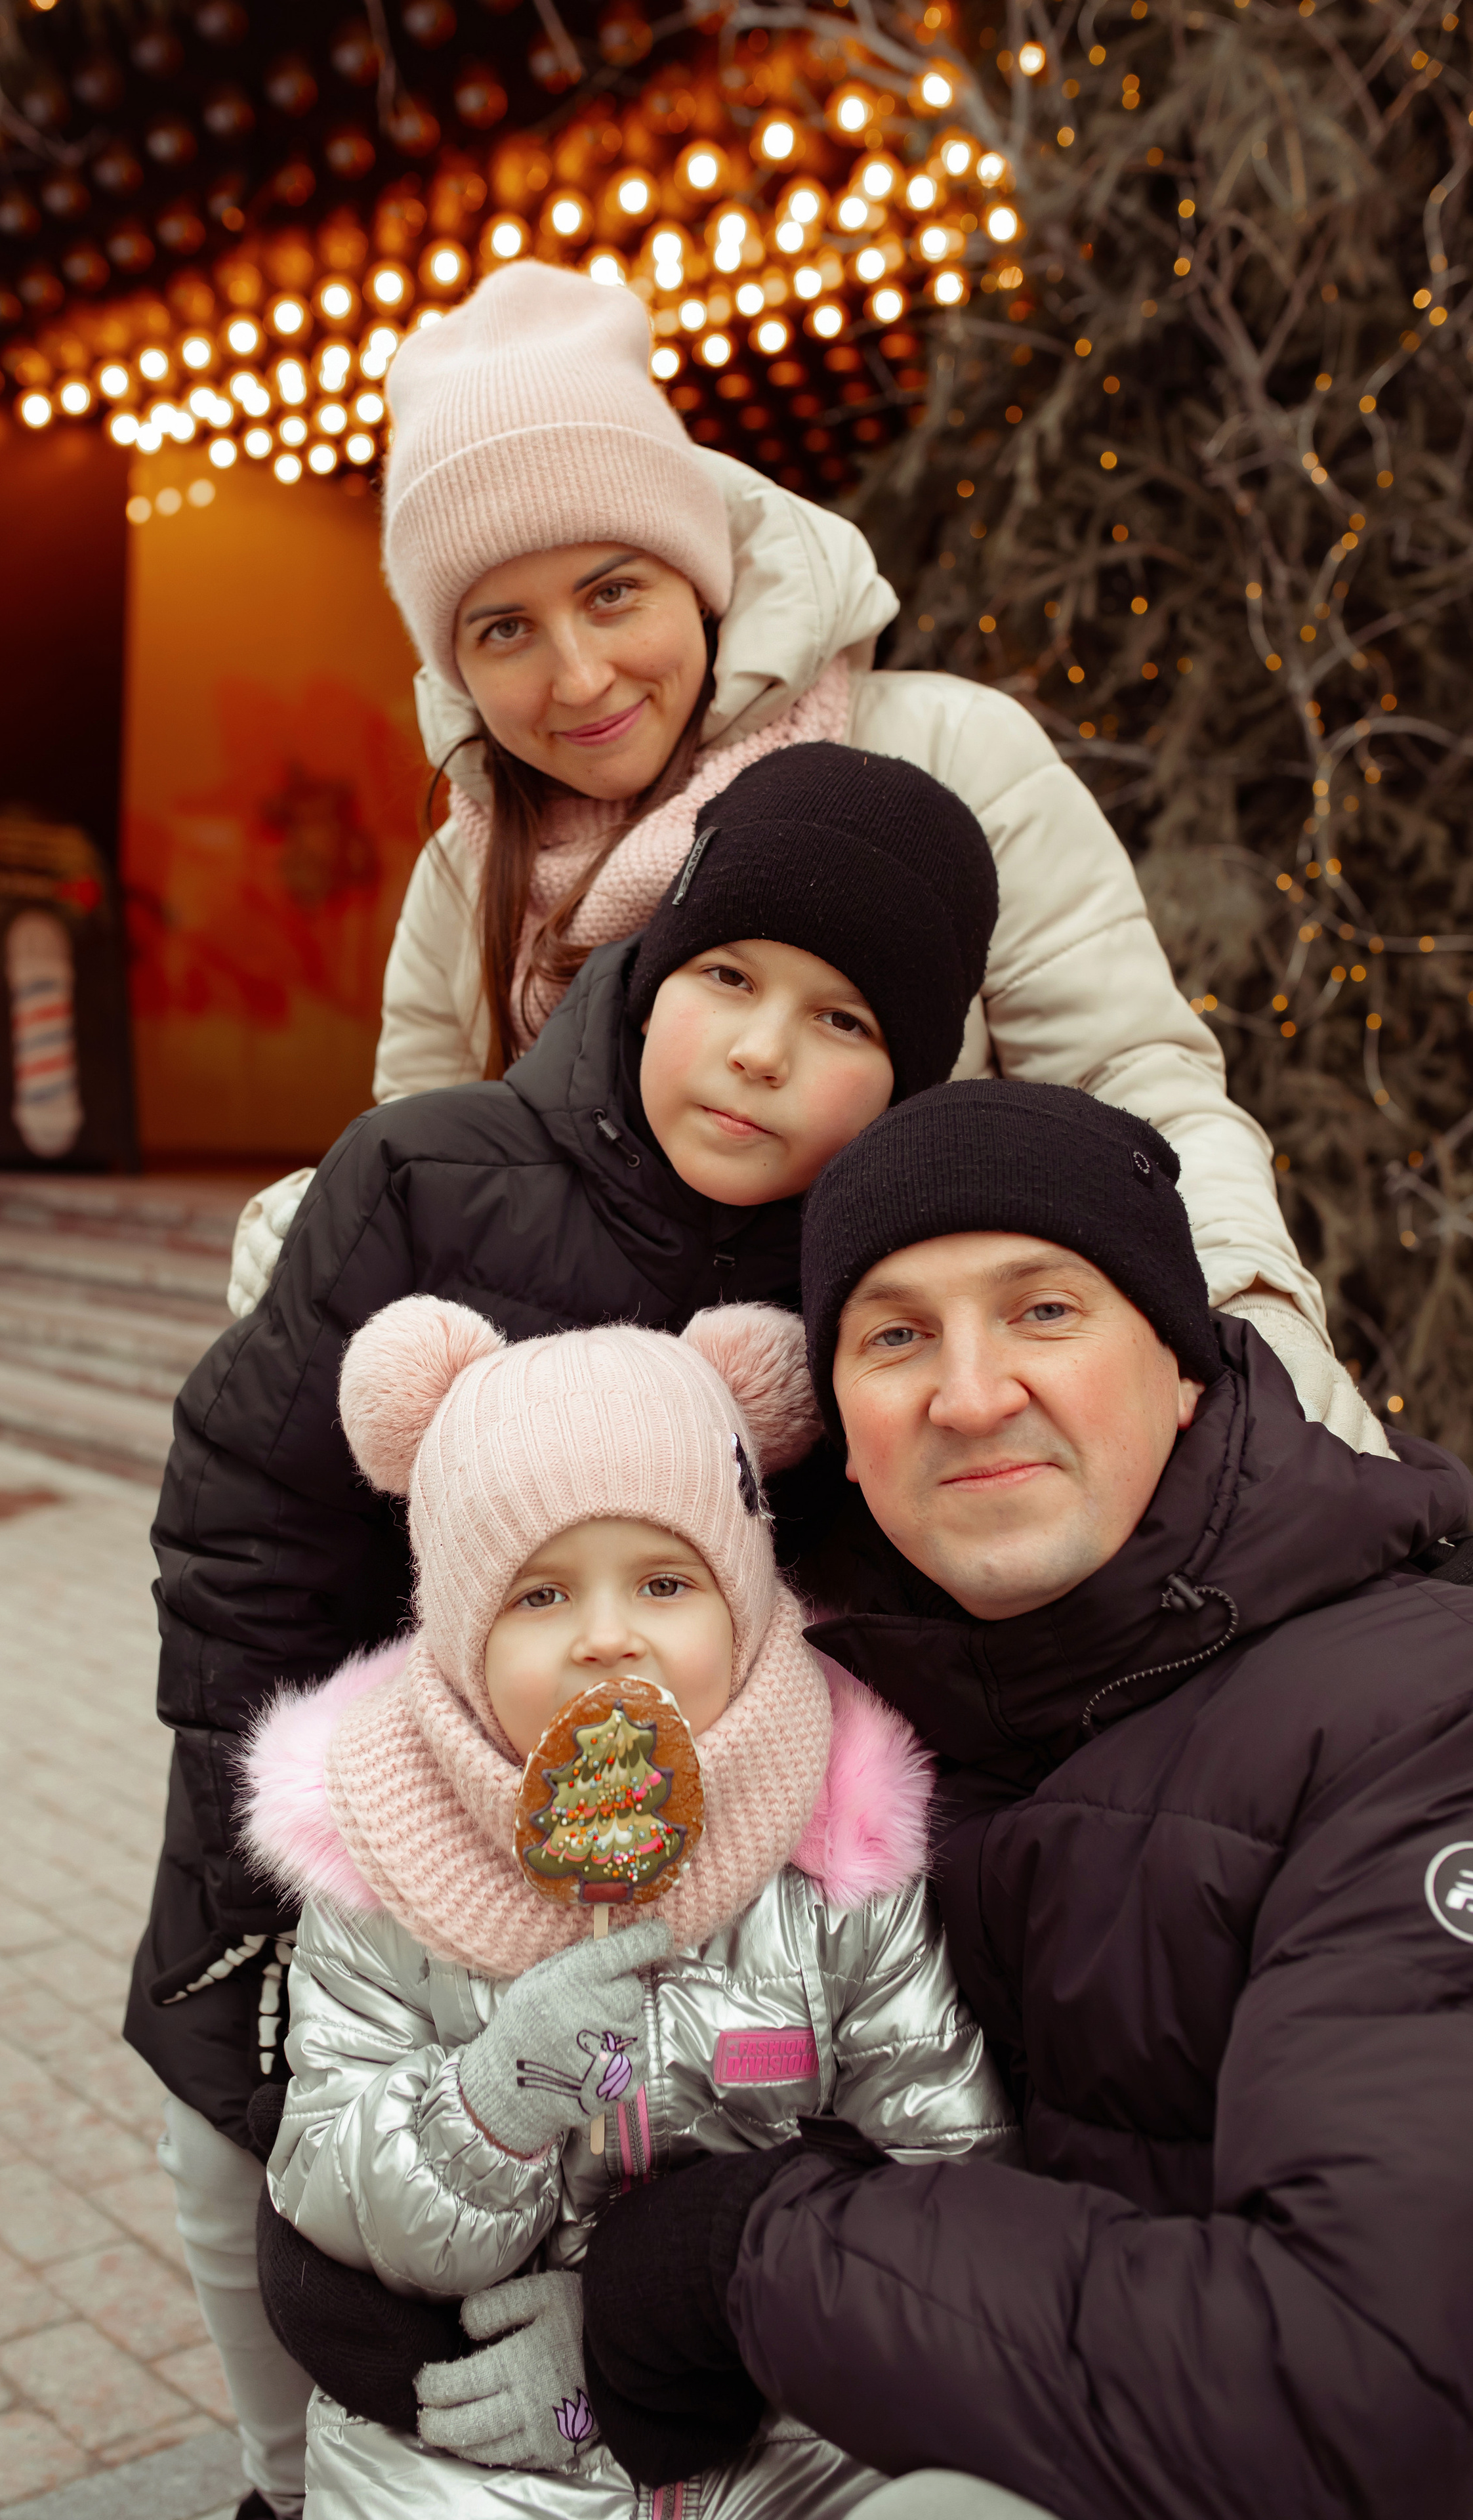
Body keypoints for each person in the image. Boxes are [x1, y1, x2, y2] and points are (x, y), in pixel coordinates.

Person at [127, 746, 1001, 2520]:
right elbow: (248, 1515)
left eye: (843, 1024)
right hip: (388, 1812)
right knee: (245, 2171)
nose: (764, 1050)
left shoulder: (857, 1286)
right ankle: (278, 2484)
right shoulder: (431, 1178)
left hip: (724, 1877)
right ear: (650, 966)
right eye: (730, 981)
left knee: (620, 2189)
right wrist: (259, 1870)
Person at [226, 259, 1372, 1487]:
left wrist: (1250, 1315)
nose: (578, 677)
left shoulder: (945, 751)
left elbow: (1131, 1083)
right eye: (504, 628)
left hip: (940, 1454)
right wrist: (312, 1232)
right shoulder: (472, 872)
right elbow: (429, 1174)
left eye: (614, 593)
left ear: (700, 576)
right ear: (454, 662)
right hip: (635, 1513)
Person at [578, 1080, 1473, 2520]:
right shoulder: (816, 1718)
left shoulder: (1417, 1716)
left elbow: (1380, 2392)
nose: (971, 1391)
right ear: (843, 1433)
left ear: (1182, 1365)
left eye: (1044, 1311)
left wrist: (757, 2257)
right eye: (893, 1336)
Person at [239, 1292, 1018, 2519]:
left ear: (746, 1599)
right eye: (541, 1597)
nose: (610, 1641)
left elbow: (947, 2176)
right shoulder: (386, 1859)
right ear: (454, 1629)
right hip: (471, 2466)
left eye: (665, 1582)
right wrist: (488, 2098)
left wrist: (706, 2349)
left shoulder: (839, 1846)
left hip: (782, 2435)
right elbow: (321, 2178)